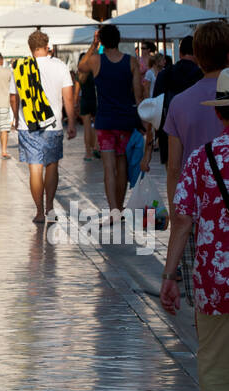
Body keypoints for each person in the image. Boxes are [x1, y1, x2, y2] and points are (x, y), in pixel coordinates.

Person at [161, 66, 229, 391]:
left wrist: (170, 274)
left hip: (215, 277)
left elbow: (183, 218)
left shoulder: (204, 158)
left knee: (216, 356)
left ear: (220, 113)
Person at [152, 22, 229, 305]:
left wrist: (176, 215)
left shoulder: (180, 104)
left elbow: (174, 169)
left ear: (196, 55)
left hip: (199, 214)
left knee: (203, 300)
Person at [10, 31, 77, 223]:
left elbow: (14, 97)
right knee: (52, 165)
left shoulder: (21, 67)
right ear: (47, 46)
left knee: (35, 168)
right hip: (53, 124)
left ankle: (39, 211)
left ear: (30, 48)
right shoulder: (60, 66)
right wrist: (71, 122)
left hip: (28, 124)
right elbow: (68, 97)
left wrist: (15, 117)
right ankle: (50, 208)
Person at [77, 24, 143, 213]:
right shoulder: (131, 62)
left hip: (105, 121)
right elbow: (138, 95)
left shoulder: (96, 61)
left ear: (102, 42)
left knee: (109, 168)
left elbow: (81, 66)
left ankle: (113, 209)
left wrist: (93, 45)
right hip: (125, 120)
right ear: (119, 40)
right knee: (121, 164)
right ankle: (120, 207)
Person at [154, 35, 202, 165]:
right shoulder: (201, 75)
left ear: (180, 53)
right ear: (197, 53)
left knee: (173, 174)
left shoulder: (164, 74)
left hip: (168, 132)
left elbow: (155, 109)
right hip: (196, 134)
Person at [76, 65, 98, 159]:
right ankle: (96, 148)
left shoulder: (79, 75)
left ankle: (88, 153)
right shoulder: (94, 71)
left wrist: (75, 104)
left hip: (84, 102)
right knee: (97, 127)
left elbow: (76, 92)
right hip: (95, 101)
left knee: (87, 128)